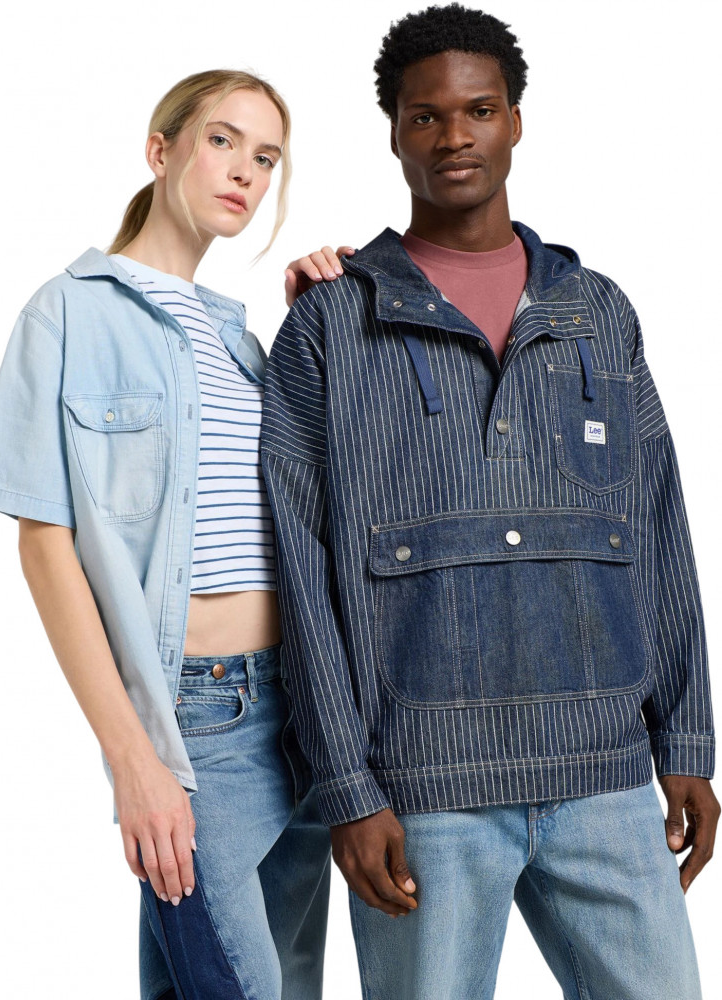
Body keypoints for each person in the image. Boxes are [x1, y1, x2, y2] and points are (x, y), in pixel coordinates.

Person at [262, 6, 719, 999]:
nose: (454, 136)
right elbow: (299, 574)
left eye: (477, 110)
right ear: (392, 133)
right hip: (423, 791)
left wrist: (686, 738)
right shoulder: (330, 325)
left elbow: (657, 529)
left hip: (606, 774)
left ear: (515, 121)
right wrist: (345, 787)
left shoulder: (597, 310)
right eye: (424, 116)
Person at [0, 68, 347, 1000]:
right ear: (160, 149)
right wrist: (137, 759)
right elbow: (44, 548)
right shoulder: (68, 311)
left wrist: (320, 328)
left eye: (267, 157)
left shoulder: (243, 339)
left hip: (301, 712)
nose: (246, 172)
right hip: (196, 722)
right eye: (222, 140)